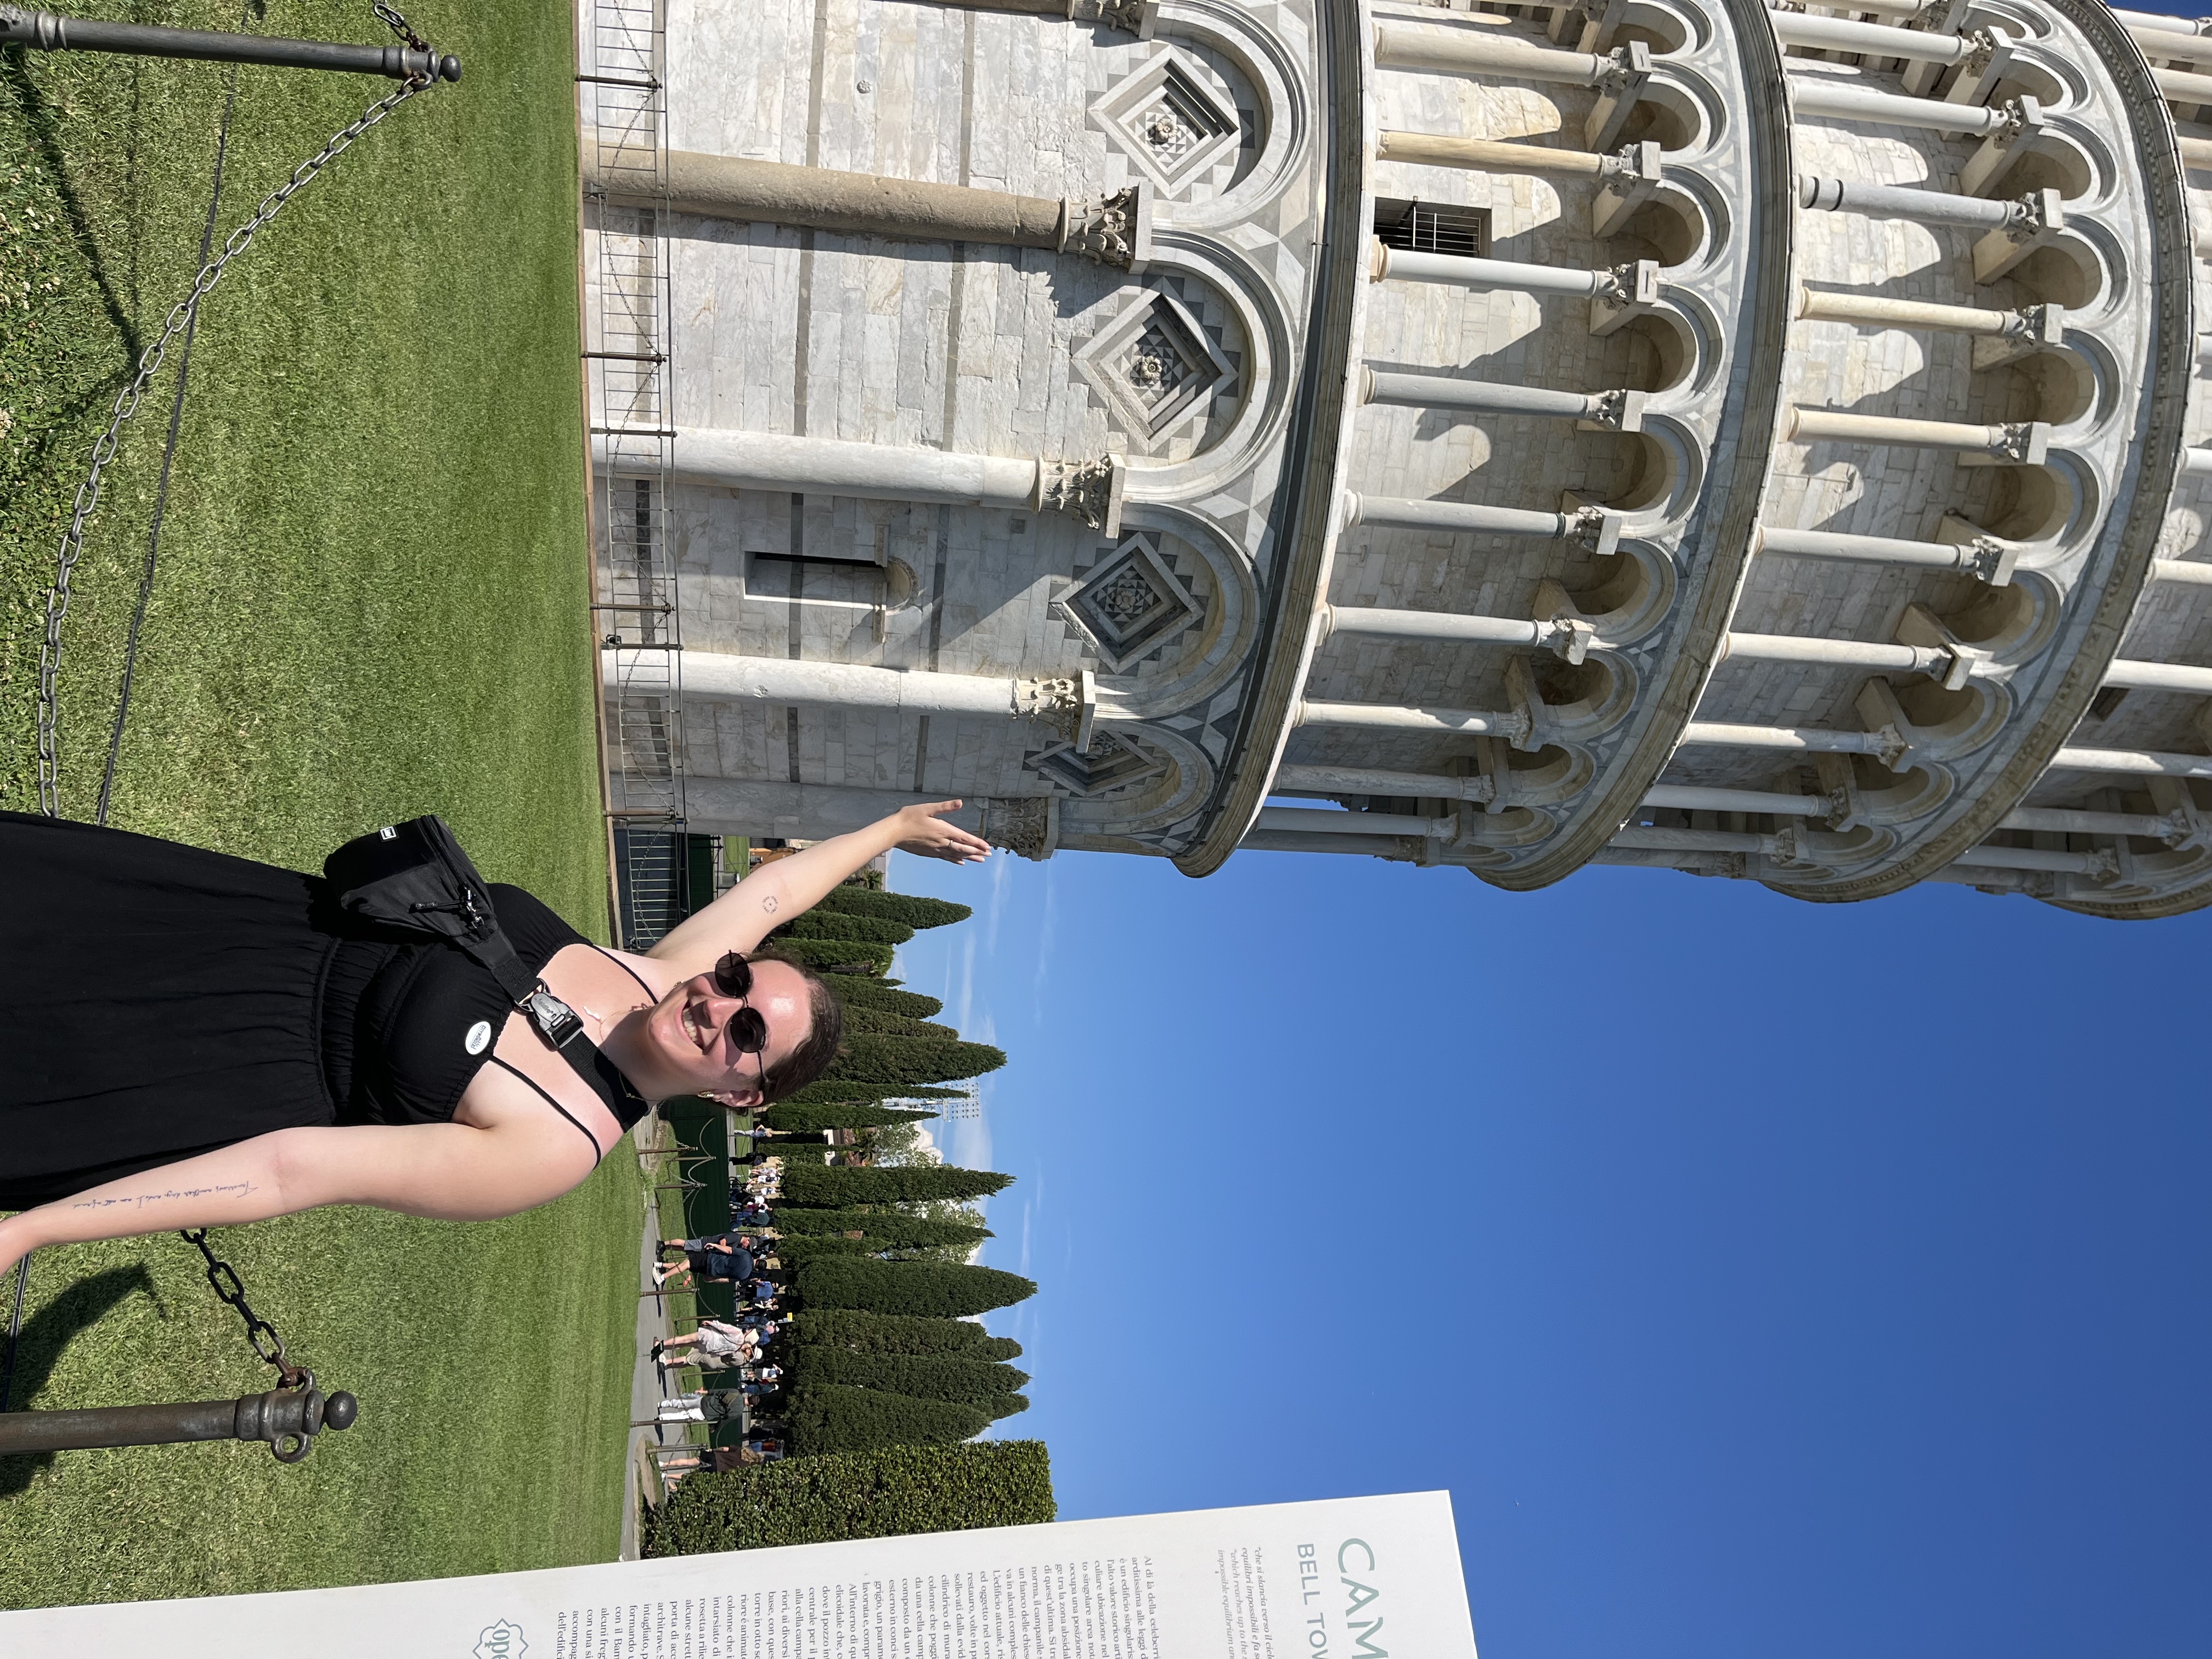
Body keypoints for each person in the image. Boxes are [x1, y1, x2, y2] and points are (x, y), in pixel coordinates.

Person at [0, 803, 990, 1274]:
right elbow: (775, 892)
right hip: (237, 921)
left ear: (741, 1094)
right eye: (736, 978)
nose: (716, 1001)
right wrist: (890, 831)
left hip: (205, 1063)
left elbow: (287, 1172)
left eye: (746, 1031)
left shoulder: (555, 1146)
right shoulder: (660, 973)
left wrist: (31, 1230)